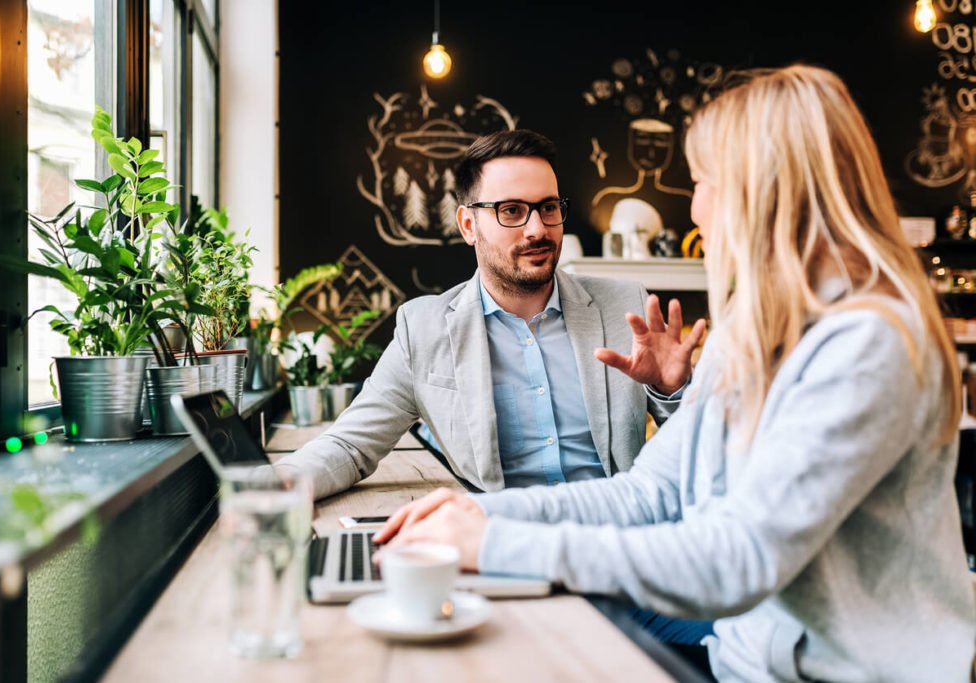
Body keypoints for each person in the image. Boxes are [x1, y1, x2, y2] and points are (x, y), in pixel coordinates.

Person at [374, 66, 976, 681]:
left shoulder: (869, 344)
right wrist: (475, 516)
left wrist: (493, 546)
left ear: (763, 189)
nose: (695, 208)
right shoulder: (752, 326)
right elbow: (649, 493)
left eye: (703, 182)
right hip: (745, 664)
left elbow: (739, 558)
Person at [278, 130, 704, 499]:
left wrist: (674, 392)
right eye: (512, 211)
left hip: (615, 539)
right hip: (502, 547)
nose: (538, 229)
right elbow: (351, 446)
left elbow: (702, 451)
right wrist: (262, 487)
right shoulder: (424, 330)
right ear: (468, 225)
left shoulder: (625, 306)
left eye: (549, 208)